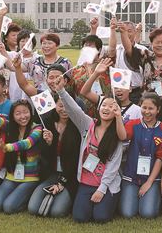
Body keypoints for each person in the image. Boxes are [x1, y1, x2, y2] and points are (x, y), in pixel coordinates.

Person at [54, 76, 124, 223]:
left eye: (112, 106)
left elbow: (113, 165)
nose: (106, 108)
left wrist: (102, 189)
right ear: (99, 108)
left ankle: (110, 201)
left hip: (106, 183)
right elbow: (74, 110)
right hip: (86, 180)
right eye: (104, 105)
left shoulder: (117, 133)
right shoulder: (88, 124)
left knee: (101, 217)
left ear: (117, 111)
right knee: (80, 217)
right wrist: (61, 91)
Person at [27, 94, 81, 218]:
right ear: (55, 105)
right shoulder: (48, 123)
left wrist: (62, 183)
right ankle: (51, 194)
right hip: (52, 173)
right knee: (33, 208)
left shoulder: (78, 125)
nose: (64, 110)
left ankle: (66, 198)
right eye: (61, 105)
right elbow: (44, 154)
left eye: (68, 106)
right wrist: (50, 143)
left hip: (70, 176)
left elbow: (76, 159)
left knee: (57, 212)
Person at [123, 27, 162, 125]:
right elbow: (129, 50)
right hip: (147, 106)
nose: (160, 45)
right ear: (151, 44)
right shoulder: (146, 56)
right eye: (157, 42)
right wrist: (123, 32)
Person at [0, 100, 43, 214]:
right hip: (12, 176)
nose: (22, 116)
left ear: (31, 113)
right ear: (13, 116)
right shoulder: (10, 127)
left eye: (25, 112)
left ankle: (26, 199)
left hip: (30, 178)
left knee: (8, 207)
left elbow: (27, 143)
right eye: (18, 113)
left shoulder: (37, 128)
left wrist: (7, 147)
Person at [119, 93, 162, 219]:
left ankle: (153, 199)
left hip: (152, 177)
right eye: (144, 107)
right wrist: (118, 117)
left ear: (158, 110)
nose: (147, 112)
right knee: (127, 213)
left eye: (151, 108)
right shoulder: (132, 124)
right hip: (131, 175)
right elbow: (123, 137)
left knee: (148, 213)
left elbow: (160, 158)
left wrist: (149, 183)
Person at [79, 58, 142, 123]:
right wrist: (96, 73)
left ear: (130, 88)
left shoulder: (138, 110)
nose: (119, 90)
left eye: (122, 87)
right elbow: (85, 92)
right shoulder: (105, 103)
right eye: (116, 87)